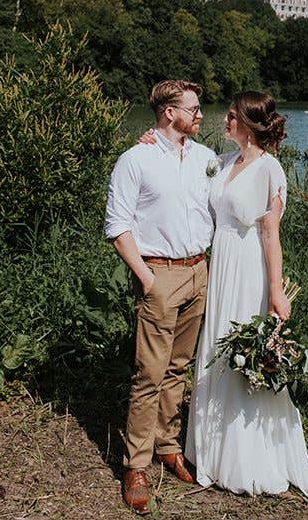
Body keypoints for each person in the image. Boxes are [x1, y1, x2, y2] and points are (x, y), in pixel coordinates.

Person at [184, 91, 308, 497]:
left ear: (249, 124)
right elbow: (184, 153)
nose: (224, 121)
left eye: (231, 116)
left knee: (243, 352)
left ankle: (248, 455)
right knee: (214, 349)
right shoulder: (222, 163)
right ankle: (212, 449)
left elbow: (270, 233)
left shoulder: (269, 169)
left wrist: (277, 292)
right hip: (219, 264)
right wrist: (152, 140)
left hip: (247, 270)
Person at [105, 80, 217, 513]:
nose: (201, 115)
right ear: (169, 112)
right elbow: (118, 226)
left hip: (198, 272)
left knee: (178, 368)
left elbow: (243, 168)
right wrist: (146, 279)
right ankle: (135, 463)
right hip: (160, 275)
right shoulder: (136, 160)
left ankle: (168, 446)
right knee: (149, 372)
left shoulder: (206, 158)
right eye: (194, 108)